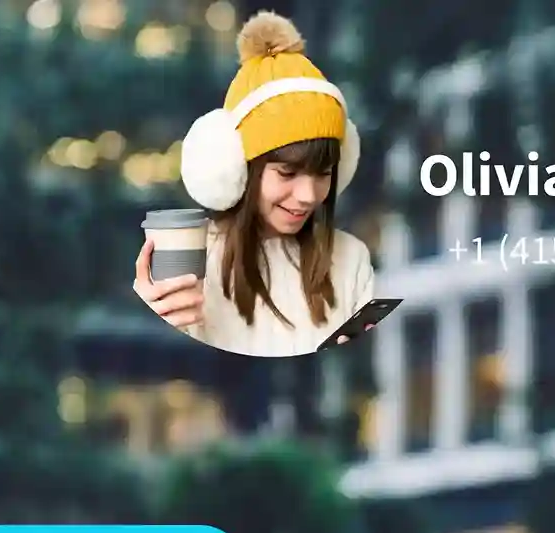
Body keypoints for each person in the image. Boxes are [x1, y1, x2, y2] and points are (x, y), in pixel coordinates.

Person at [134, 10, 376, 356]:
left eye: (323, 173)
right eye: (287, 173)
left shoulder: (351, 261)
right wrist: (161, 319)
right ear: (235, 168)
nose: (308, 196)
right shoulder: (194, 264)